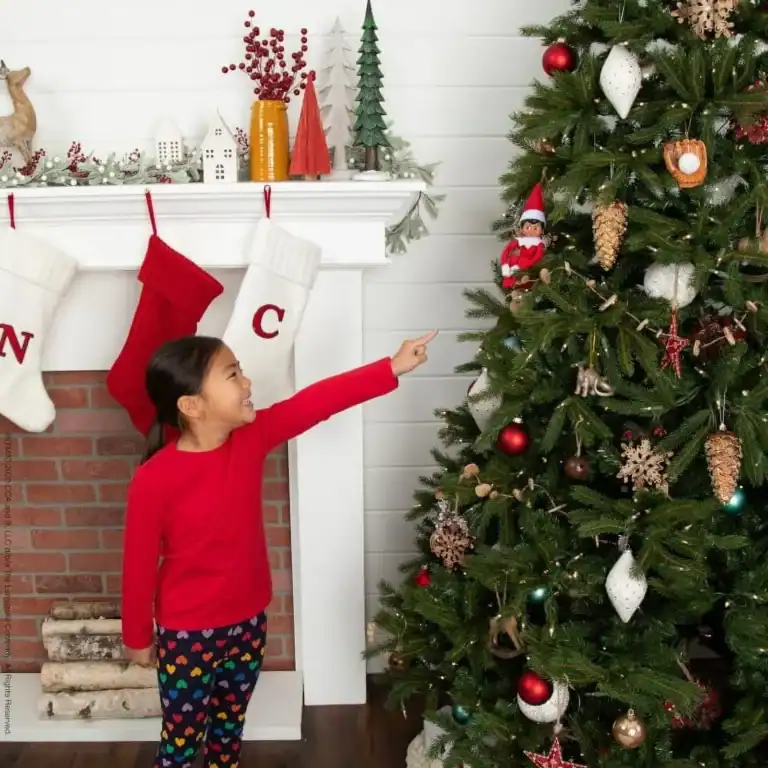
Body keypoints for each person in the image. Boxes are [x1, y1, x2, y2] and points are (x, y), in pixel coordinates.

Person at [120, 330, 437, 768]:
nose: (247, 383)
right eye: (232, 375)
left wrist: (391, 367)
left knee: (229, 732)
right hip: (187, 635)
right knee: (181, 743)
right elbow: (136, 566)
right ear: (192, 405)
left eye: (241, 372)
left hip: (249, 623)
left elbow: (315, 402)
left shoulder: (250, 439)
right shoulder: (154, 479)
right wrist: (137, 637)